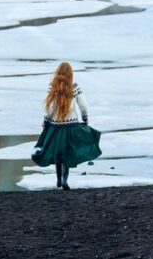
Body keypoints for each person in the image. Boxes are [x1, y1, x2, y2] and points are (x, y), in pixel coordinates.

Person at [31, 61, 101, 189]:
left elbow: (49, 107)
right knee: (67, 153)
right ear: (70, 74)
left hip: (56, 126)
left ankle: (58, 180)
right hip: (71, 126)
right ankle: (65, 179)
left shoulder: (53, 87)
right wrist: (85, 118)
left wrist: (46, 120)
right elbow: (83, 105)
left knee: (58, 153)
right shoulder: (75, 87)